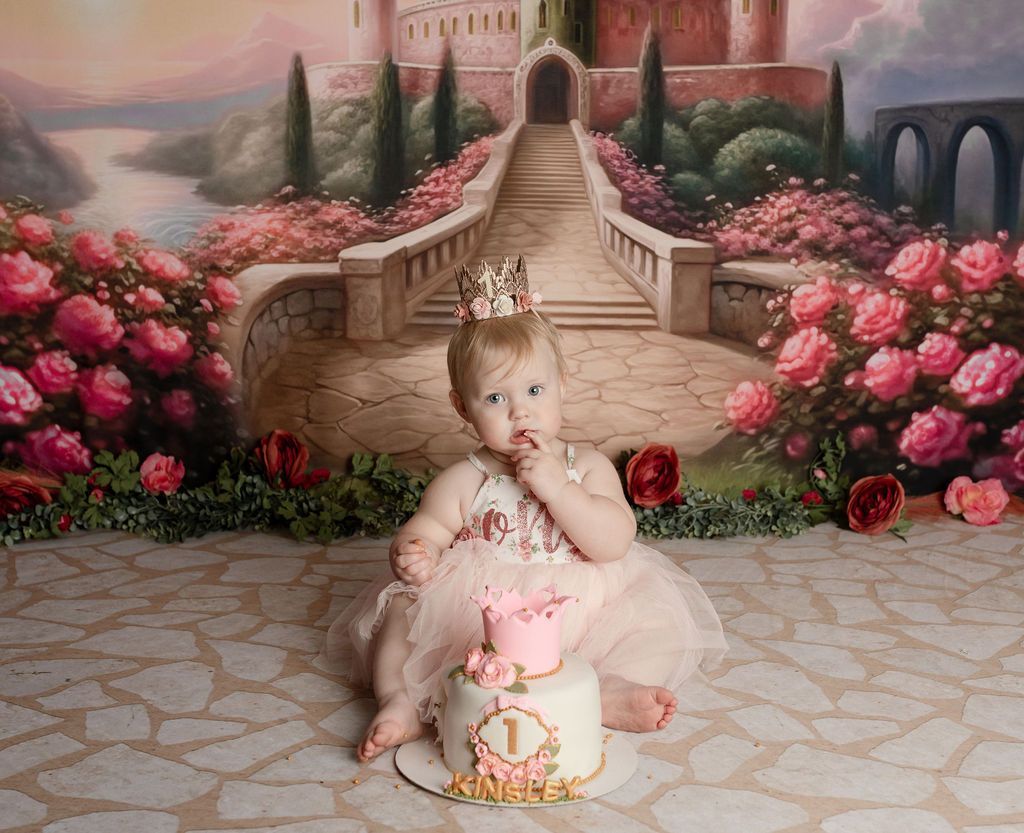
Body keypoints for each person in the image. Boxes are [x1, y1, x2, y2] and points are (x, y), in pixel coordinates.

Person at [324, 256, 727, 763]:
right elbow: (428, 528)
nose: (520, 411)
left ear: (563, 385)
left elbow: (614, 542)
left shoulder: (587, 467)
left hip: (583, 612)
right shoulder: (466, 479)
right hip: (482, 621)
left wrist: (561, 490)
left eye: (535, 390)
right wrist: (414, 551)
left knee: (653, 624)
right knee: (403, 608)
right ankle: (400, 700)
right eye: (495, 398)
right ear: (462, 407)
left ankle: (606, 687)